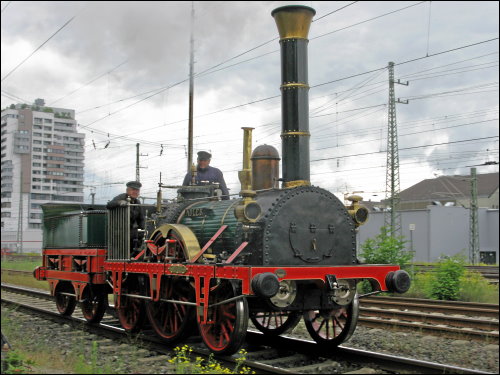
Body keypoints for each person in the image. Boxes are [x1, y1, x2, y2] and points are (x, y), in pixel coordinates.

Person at [106, 181, 145, 255]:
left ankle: (135, 255)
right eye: (133, 190)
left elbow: (141, 219)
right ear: (128, 190)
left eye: (137, 190)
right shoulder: (121, 197)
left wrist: (142, 231)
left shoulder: (137, 202)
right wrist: (119, 202)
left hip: (129, 229)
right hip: (117, 229)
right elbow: (109, 205)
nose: (135, 192)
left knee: (138, 236)